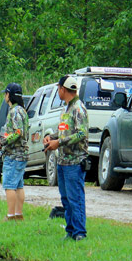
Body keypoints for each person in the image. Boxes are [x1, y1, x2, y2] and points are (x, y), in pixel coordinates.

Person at [43, 75, 89, 241]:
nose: (58, 92)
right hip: (62, 161)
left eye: (58, 89)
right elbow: (64, 131)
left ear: (63, 89)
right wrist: (52, 138)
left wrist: (59, 142)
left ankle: (80, 233)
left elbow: (82, 133)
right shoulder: (65, 109)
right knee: (66, 198)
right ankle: (70, 231)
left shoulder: (78, 109)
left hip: (75, 162)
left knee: (75, 198)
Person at [0, 82, 29, 221]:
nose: (4, 96)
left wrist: (1, 142)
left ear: (9, 95)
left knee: (9, 186)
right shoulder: (22, 111)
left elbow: (18, 133)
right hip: (21, 155)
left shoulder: (14, 112)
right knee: (18, 185)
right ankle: (18, 215)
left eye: (5, 94)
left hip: (13, 156)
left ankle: (10, 216)